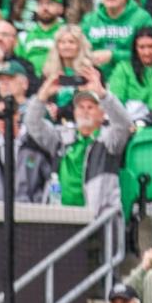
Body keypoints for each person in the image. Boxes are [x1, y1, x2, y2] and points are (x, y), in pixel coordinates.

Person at [24, 78, 132, 217]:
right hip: (60, 218)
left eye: (90, 107)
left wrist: (104, 95)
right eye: (80, 107)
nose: (84, 111)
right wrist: (42, 96)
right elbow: (32, 123)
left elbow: (124, 124)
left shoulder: (109, 141)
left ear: (102, 113)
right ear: (74, 112)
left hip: (98, 221)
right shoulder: (62, 138)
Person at [82, 0, 152, 70]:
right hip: (95, 77)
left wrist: (114, 56)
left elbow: (149, 54)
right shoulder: (89, 20)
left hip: (132, 77)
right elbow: (78, 50)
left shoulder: (142, 18)